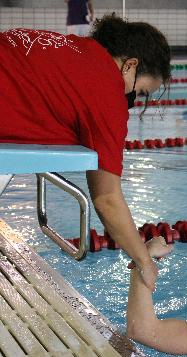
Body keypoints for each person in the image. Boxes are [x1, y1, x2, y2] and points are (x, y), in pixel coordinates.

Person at [0, 15, 171, 291]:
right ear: (130, 65)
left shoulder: (77, 48)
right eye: (139, 91)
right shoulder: (108, 91)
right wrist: (145, 262)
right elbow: (107, 199)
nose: (132, 99)